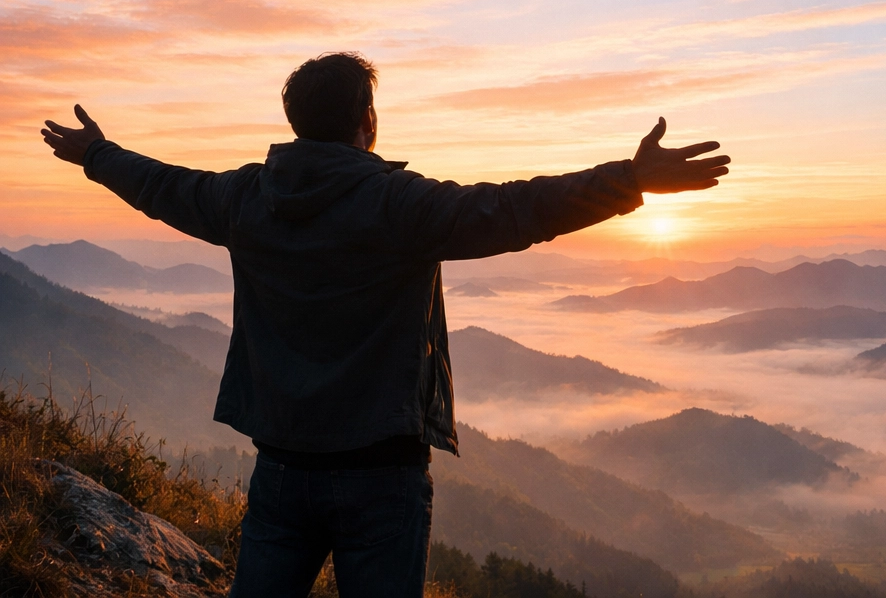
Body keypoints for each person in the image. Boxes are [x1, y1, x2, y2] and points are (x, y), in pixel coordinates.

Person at [41, 52, 730, 598]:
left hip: (282, 466)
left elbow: (164, 186)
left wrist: (96, 155)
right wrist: (629, 180)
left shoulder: (244, 198)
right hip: (382, 475)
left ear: (294, 120)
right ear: (366, 119)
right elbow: (515, 210)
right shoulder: (397, 203)